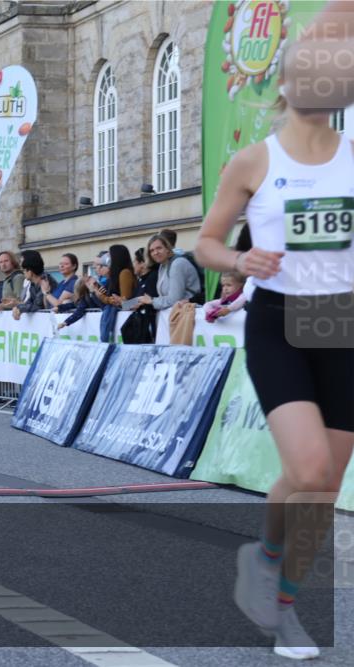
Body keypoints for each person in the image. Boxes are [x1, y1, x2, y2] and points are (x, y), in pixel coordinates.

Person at [194, 87, 354, 660]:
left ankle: (283, 607)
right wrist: (240, 260)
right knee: (309, 470)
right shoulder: (254, 161)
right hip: (278, 322)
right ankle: (264, 558)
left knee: (324, 486)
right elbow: (205, 244)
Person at [136, 234, 201, 311]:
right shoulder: (162, 265)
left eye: (159, 248)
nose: (155, 252)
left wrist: (152, 301)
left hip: (190, 311)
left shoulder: (177, 264)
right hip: (176, 311)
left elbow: (174, 300)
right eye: (152, 250)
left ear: (167, 248)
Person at [13, 251, 57, 315]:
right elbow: (29, 302)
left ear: (30, 271)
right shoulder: (33, 284)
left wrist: (19, 308)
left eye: (24, 270)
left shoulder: (45, 281)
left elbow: (37, 306)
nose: (22, 271)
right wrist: (17, 307)